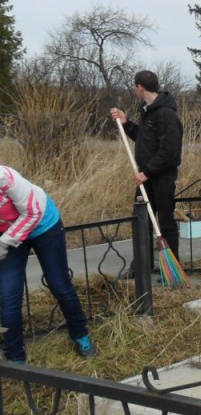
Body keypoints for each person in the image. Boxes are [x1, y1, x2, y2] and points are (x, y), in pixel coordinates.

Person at [0, 166, 97, 363]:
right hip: (9, 233)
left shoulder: (5, 178)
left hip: (43, 225)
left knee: (59, 285)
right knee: (8, 296)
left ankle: (80, 334)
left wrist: (3, 243)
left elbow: (32, 213)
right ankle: (15, 358)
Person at [109, 70, 184, 269]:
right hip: (146, 177)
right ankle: (142, 266)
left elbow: (169, 151)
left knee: (165, 221)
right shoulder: (147, 111)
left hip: (162, 177)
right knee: (141, 220)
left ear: (140, 87)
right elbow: (145, 139)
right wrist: (126, 124)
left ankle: (172, 267)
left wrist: (147, 172)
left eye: (135, 87)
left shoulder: (166, 114)